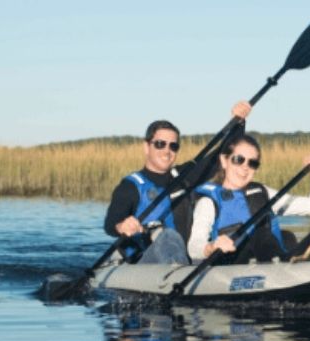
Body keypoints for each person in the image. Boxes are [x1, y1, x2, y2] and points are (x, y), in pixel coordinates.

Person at [187, 133, 310, 264]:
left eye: (252, 163)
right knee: (260, 234)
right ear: (224, 161)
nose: (245, 167)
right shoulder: (208, 202)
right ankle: (290, 262)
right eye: (239, 160)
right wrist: (211, 247)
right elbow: (194, 247)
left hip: (272, 261)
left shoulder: (263, 193)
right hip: (232, 265)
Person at [104, 102, 252, 264]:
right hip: (144, 263)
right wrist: (121, 226)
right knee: (168, 235)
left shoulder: (184, 176)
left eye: (173, 146)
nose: (167, 151)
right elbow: (110, 224)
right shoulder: (130, 186)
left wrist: (238, 122)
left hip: (184, 260)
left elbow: (222, 157)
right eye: (160, 144)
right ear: (147, 147)